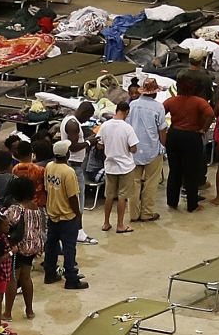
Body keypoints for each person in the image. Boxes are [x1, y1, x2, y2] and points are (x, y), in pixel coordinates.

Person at [42, 140, 88, 289]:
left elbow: (47, 189)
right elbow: (72, 197)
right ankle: (71, 278)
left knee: (51, 245)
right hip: (67, 216)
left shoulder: (49, 167)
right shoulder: (68, 172)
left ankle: (49, 273)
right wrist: (78, 213)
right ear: (67, 154)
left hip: (52, 213)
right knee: (69, 248)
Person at [164, 79, 216, 205]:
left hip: (174, 135)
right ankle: (192, 204)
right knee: (191, 170)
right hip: (192, 136)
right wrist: (204, 128)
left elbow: (161, 113)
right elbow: (210, 114)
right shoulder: (199, 102)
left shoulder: (171, 101)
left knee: (174, 170)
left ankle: (172, 201)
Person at [2, 176, 44, 320]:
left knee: (13, 278)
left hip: (18, 248)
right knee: (26, 277)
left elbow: (4, 222)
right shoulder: (36, 208)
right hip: (32, 247)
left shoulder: (15, 209)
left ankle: (7, 312)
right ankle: (29, 310)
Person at [127, 78, 167, 222]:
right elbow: (162, 130)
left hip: (134, 149)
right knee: (151, 182)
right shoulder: (158, 107)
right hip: (152, 149)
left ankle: (133, 214)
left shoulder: (132, 105)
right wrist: (163, 147)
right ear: (154, 93)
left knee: (134, 182)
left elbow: (127, 126)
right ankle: (147, 213)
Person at [99, 101, 139, 231]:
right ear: (127, 112)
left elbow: (99, 144)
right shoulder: (127, 128)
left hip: (110, 166)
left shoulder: (105, 126)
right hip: (125, 167)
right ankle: (120, 225)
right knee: (122, 196)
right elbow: (133, 149)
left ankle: (106, 223)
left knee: (109, 195)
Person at [60, 100, 95, 196]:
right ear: (84, 113)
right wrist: (88, 142)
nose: (87, 120)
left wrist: (86, 140)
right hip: (73, 164)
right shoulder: (73, 124)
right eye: (88, 117)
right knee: (77, 196)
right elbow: (73, 147)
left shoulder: (69, 119)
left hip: (73, 163)